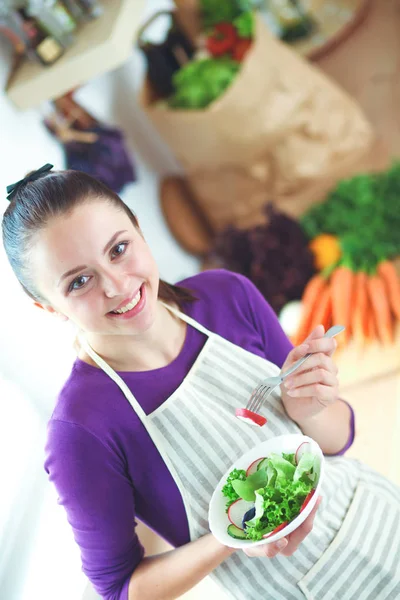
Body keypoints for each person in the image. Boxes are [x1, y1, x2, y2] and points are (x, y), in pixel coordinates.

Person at [2, 165, 400, 600]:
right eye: (79, 281)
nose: (117, 286)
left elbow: (338, 441)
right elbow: (120, 587)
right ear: (48, 308)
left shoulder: (227, 295)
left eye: (118, 249)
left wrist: (309, 409)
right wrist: (235, 536)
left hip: (379, 518)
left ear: (137, 229)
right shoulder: (81, 431)